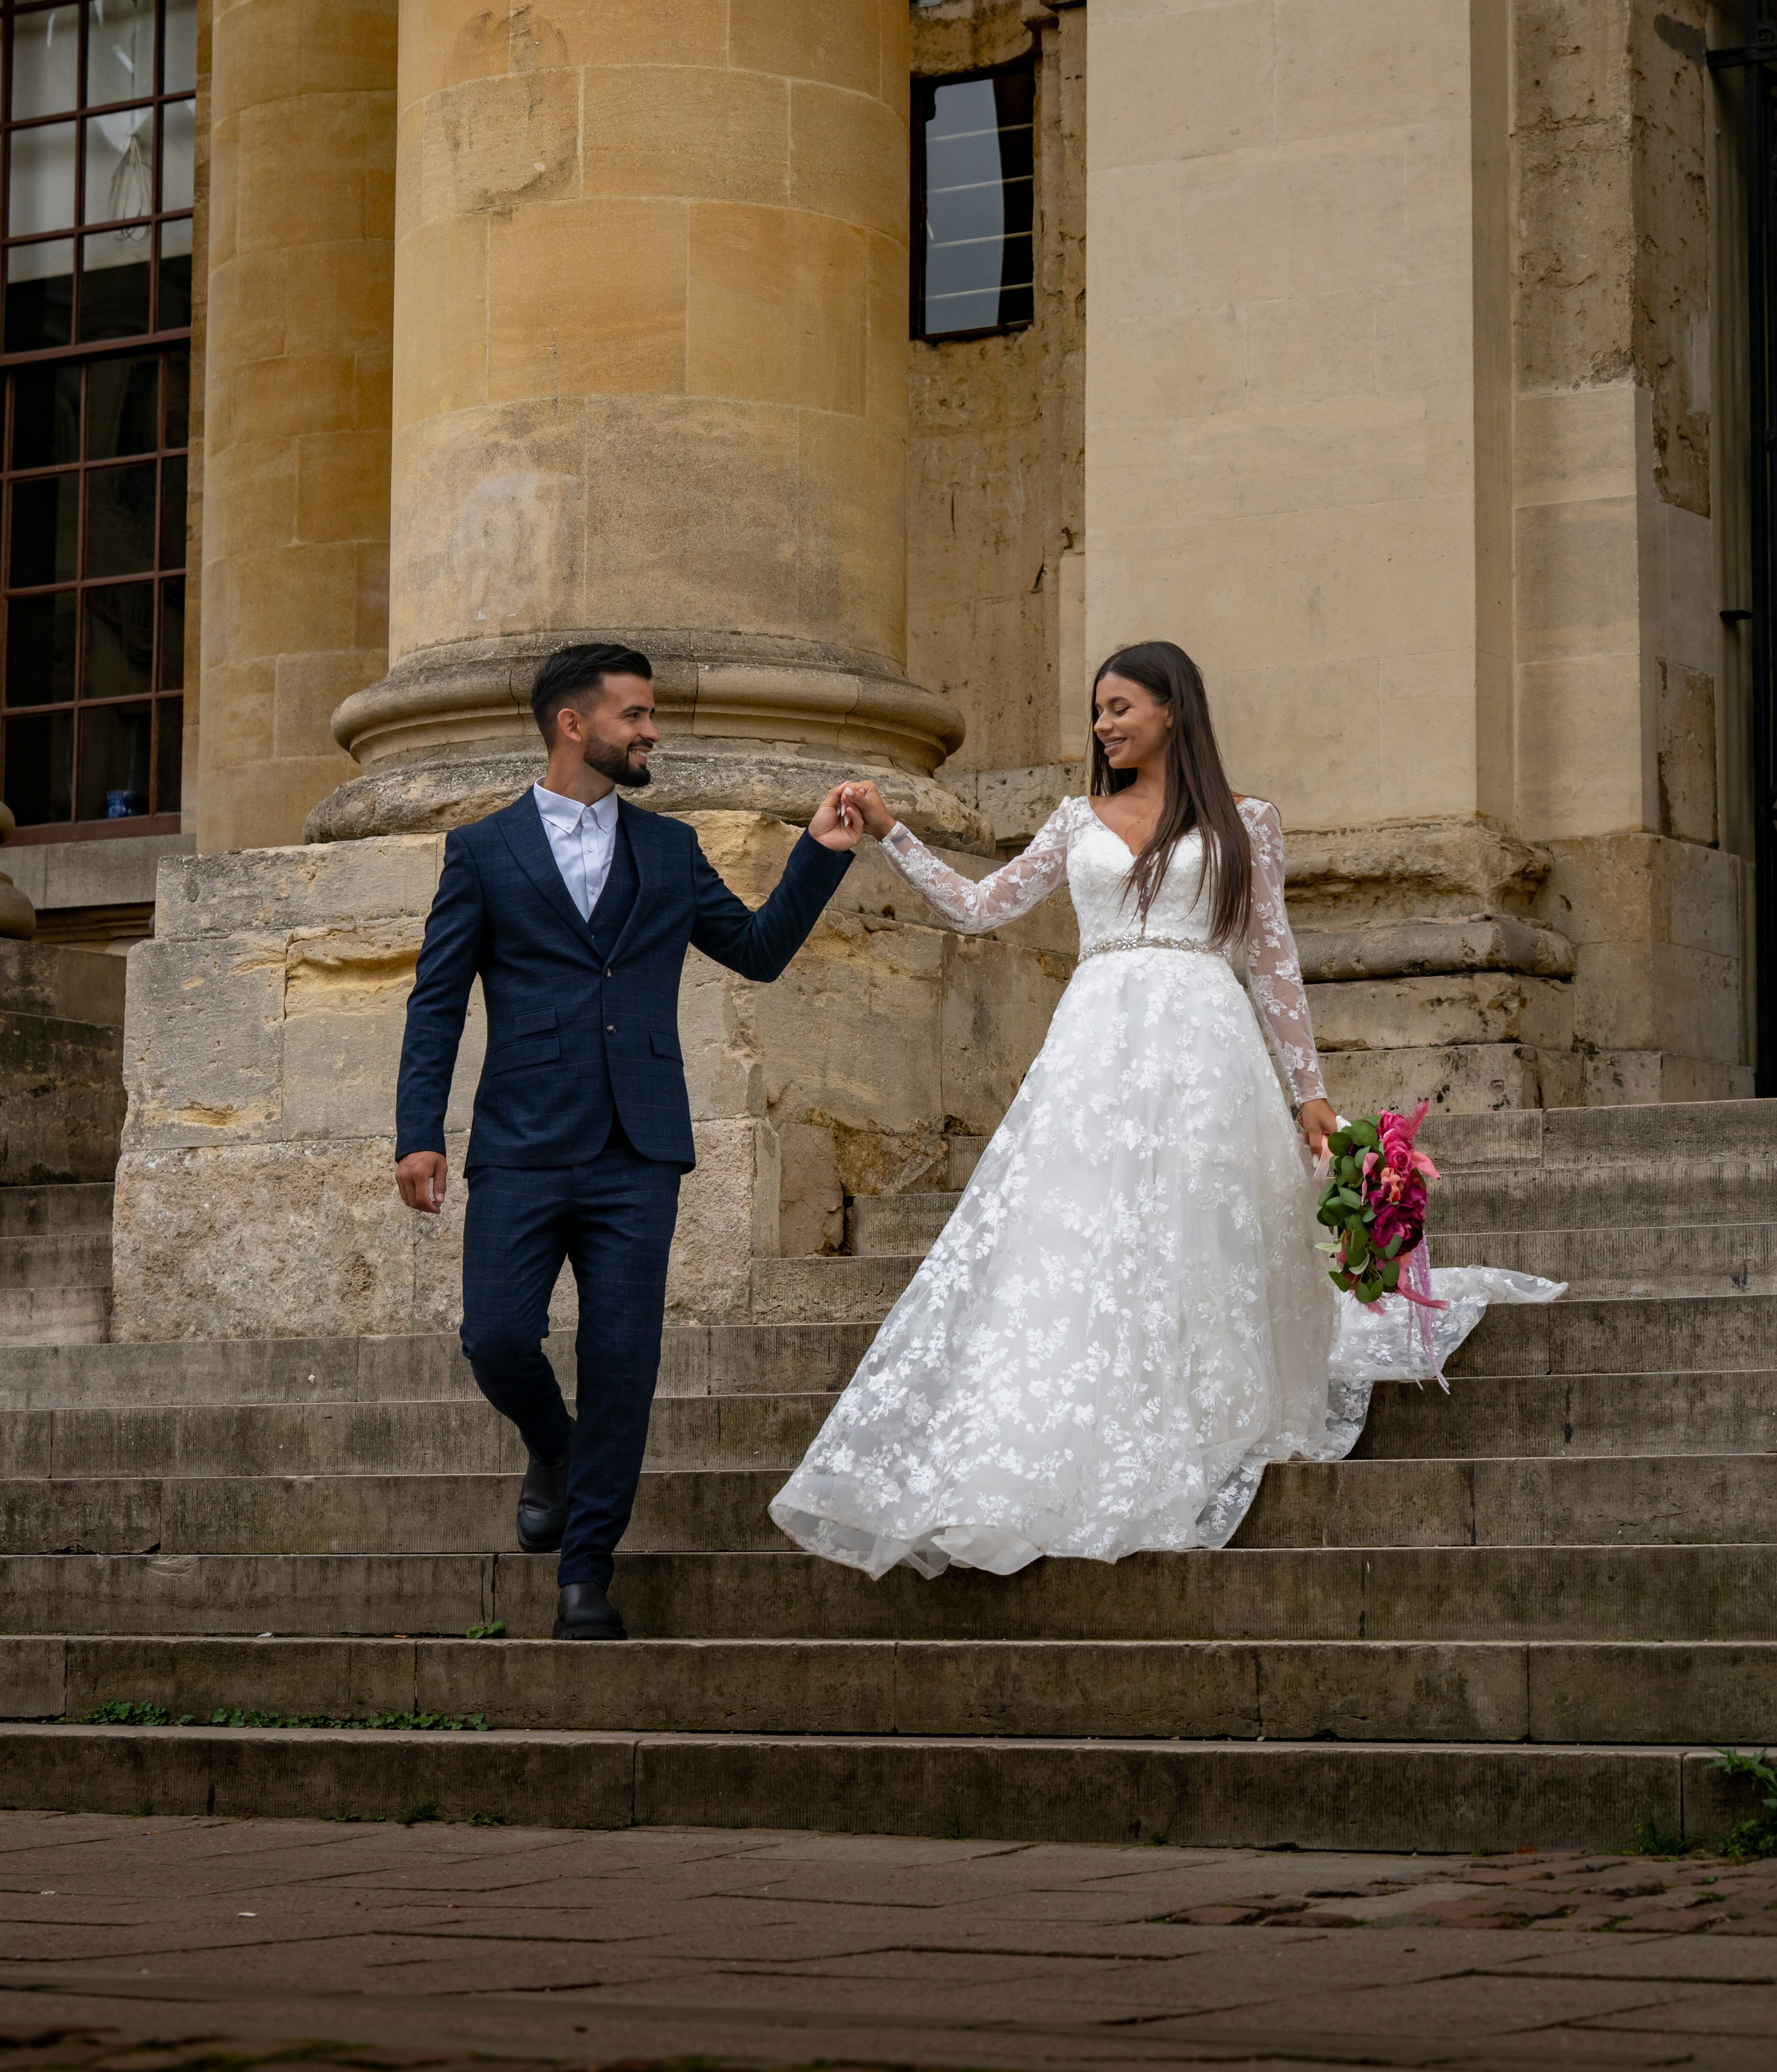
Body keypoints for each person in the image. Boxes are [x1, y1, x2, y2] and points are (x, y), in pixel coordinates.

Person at [771, 639, 1560, 1578]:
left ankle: (1201, 1397)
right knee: (1085, 1233)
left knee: (1198, 1222)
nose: (1104, 723)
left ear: (1172, 710)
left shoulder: (1246, 822)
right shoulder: (1076, 820)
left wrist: (1311, 1093)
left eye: (1120, 706)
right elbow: (982, 907)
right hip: (1095, 1044)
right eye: (1098, 710)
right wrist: (894, 834)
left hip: (1207, 1043)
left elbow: (1272, 959)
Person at [394, 641, 860, 1642]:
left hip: (637, 1150)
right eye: (636, 716)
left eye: (651, 718)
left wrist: (819, 852)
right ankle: (551, 1448)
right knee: (498, 1338)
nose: (653, 733)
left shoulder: (670, 850)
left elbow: (758, 951)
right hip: (519, 1142)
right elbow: (436, 1003)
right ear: (576, 725)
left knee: (623, 1360)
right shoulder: (481, 851)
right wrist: (418, 1134)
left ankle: (585, 1571)